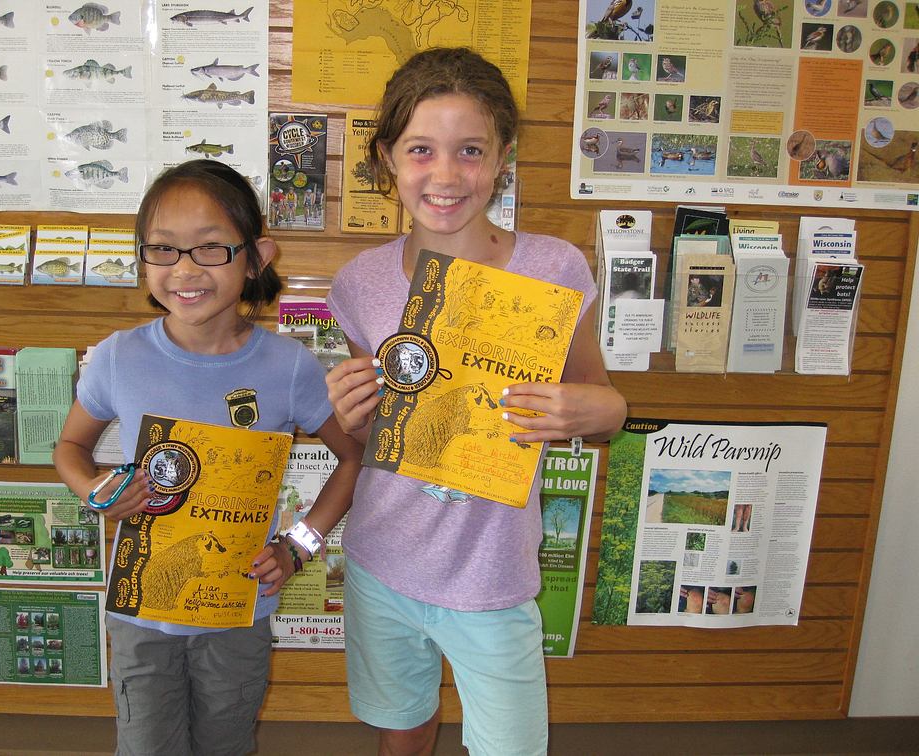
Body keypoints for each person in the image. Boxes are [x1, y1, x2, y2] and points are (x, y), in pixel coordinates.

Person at [323, 48, 627, 756]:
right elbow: (368, 445)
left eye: (470, 150)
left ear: (502, 160)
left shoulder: (553, 268)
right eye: (421, 149)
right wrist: (350, 414)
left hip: (492, 570)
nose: (446, 174)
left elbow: (609, 405)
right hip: (382, 559)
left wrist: (582, 412)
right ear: (387, 159)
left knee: (510, 745)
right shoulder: (360, 283)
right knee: (403, 722)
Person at [53, 159, 361, 756]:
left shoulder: (287, 364)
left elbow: (353, 460)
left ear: (256, 257)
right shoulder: (119, 356)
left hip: (237, 608)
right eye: (163, 250)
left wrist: (301, 544)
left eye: (211, 248)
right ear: (142, 259)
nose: (185, 270)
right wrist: (92, 489)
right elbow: (70, 448)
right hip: (142, 612)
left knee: (226, 745)